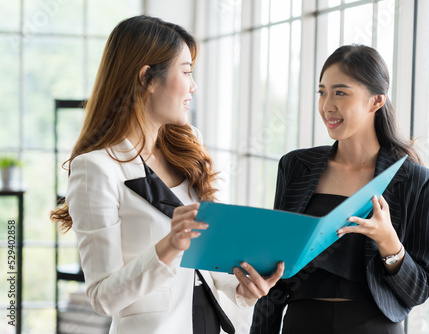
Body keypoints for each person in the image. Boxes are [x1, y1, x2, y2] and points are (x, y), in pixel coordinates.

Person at [50, 15, 284, 334]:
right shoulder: (96, 168)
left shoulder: (188, 146)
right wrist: (169, 245)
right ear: (147, 78)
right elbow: (103, 297)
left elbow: (207, 266)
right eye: (186, 71)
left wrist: (242, 290)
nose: (194, 85)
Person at [250, 44, 429, 334]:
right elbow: (273, 268)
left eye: (340, 92)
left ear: (376, 101)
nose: (327, 105)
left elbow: (419, 291)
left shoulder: (414, 180)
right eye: (322, 91)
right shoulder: (296, 166)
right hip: (302, 324)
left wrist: (389, 242)